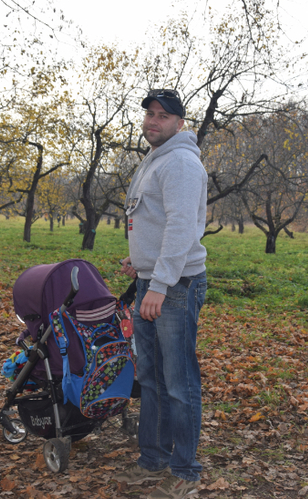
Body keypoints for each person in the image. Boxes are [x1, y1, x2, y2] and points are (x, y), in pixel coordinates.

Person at [114, 89, 208, 499]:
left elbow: (182, 227)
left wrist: (159, 282)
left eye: (163, 116)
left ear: (180, 123)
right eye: (150, 114)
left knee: (178, 381)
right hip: (152, 280)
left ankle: (185, 471)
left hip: (173, 287)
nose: (153, 121)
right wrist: (142, 264)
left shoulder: (182, 163)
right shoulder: (155, 160)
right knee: (150, 379)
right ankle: (152, 459)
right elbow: (154, 220)